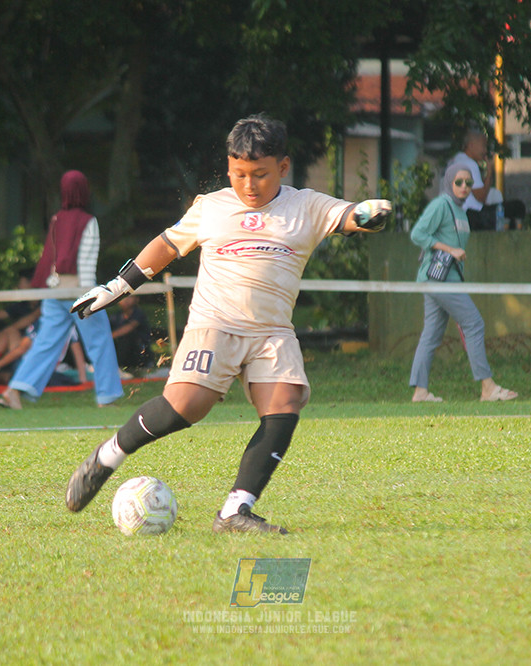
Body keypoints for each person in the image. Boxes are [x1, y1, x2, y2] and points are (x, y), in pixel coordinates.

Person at [63, 114, 392, 534]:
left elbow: (347, 215)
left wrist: (367, 213)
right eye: (239, 174)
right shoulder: (212, 207)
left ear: (284, 167)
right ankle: (107, 457)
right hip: (214, 324)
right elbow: (166, 246)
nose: (249, 185)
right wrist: (116, 287)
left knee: (284, 404)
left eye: (260, 174)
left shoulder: (306, 205)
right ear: (229, 167)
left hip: (272, 331)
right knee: (185, 407)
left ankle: (236, 510)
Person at [0, 170, 123, 409]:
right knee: (100, 342)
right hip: (80, 291)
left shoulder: (56, 219)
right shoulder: (88, 221)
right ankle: (107, 397)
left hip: (54, 291)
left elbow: (49, 258)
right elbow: (87, 262)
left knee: (45, 343)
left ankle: (14, 390)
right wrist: (92, 296)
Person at [408, 162, 517, 404]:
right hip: (439, 280)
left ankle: (420, 391)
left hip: (447, 279)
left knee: (431, 334)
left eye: (469, 183)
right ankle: (487, 387)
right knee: (474, 323)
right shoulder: (441, 205)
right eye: (459, 182)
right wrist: (450, 249)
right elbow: (418, 234)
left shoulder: (461, 210)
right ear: (449, 182)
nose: (464, 187)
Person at [450, 130, 495, 231]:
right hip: (471, 216)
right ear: (471, 145)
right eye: (483, 146)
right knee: (515, 207)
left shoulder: (456, 159)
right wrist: (489, 172)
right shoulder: (470, 164)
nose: (485, 151)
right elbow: (481, 197)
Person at [109, 294, 154, 376]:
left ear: (136, 299)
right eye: (123, 298)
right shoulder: (115, 317)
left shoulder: (139, 314)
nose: (125, 300)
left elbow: (129, 327)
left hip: (140, 350)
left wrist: (108, 337)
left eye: (129, 297)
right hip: (122, 350)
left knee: (127, 338)